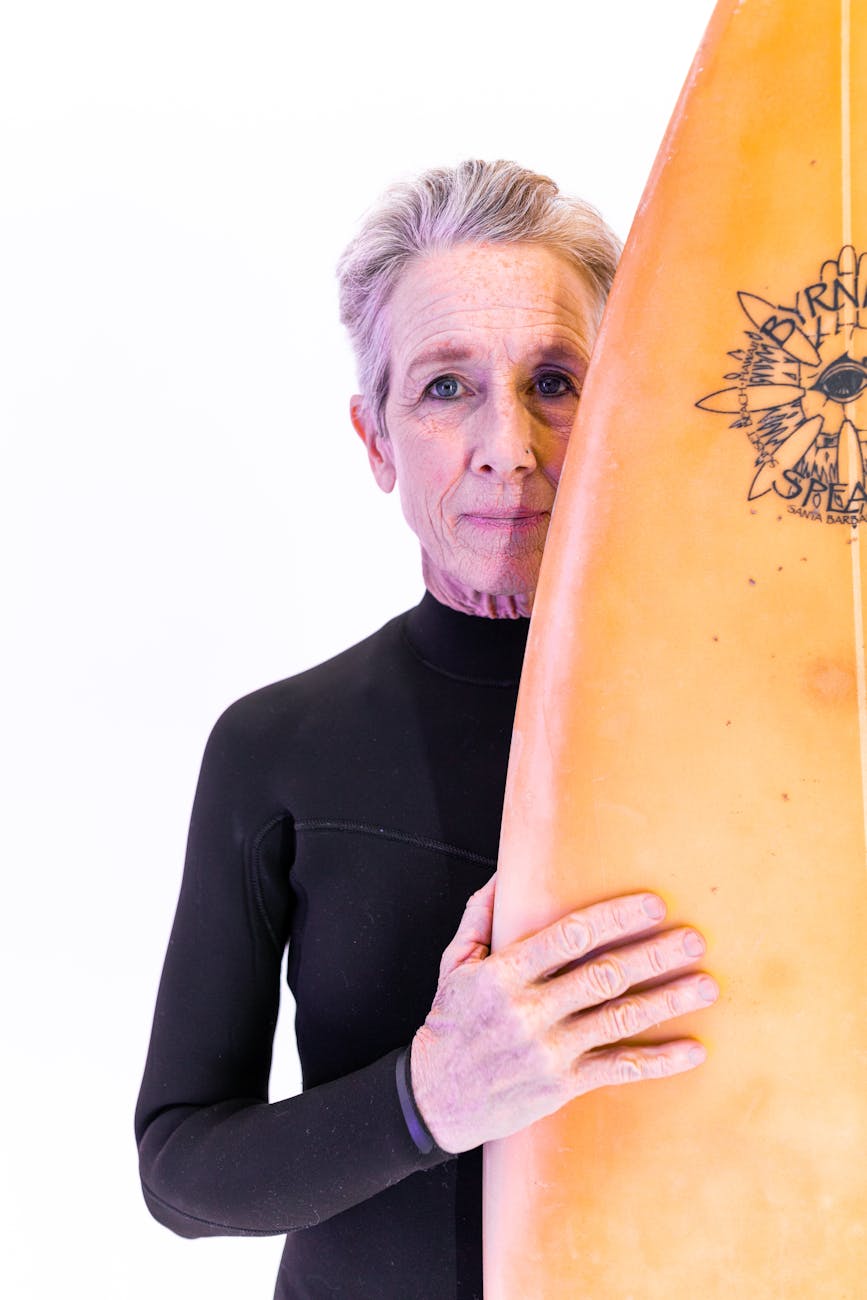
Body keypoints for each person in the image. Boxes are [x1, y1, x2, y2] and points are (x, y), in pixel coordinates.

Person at [135, 159, 718, 1299]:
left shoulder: (764, 735)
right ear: (375, 438)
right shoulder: (277, 749)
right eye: (446, 388)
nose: (510, 441)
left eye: (556, 380)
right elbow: (180, 1171)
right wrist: (431, 1097)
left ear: (619, 416)